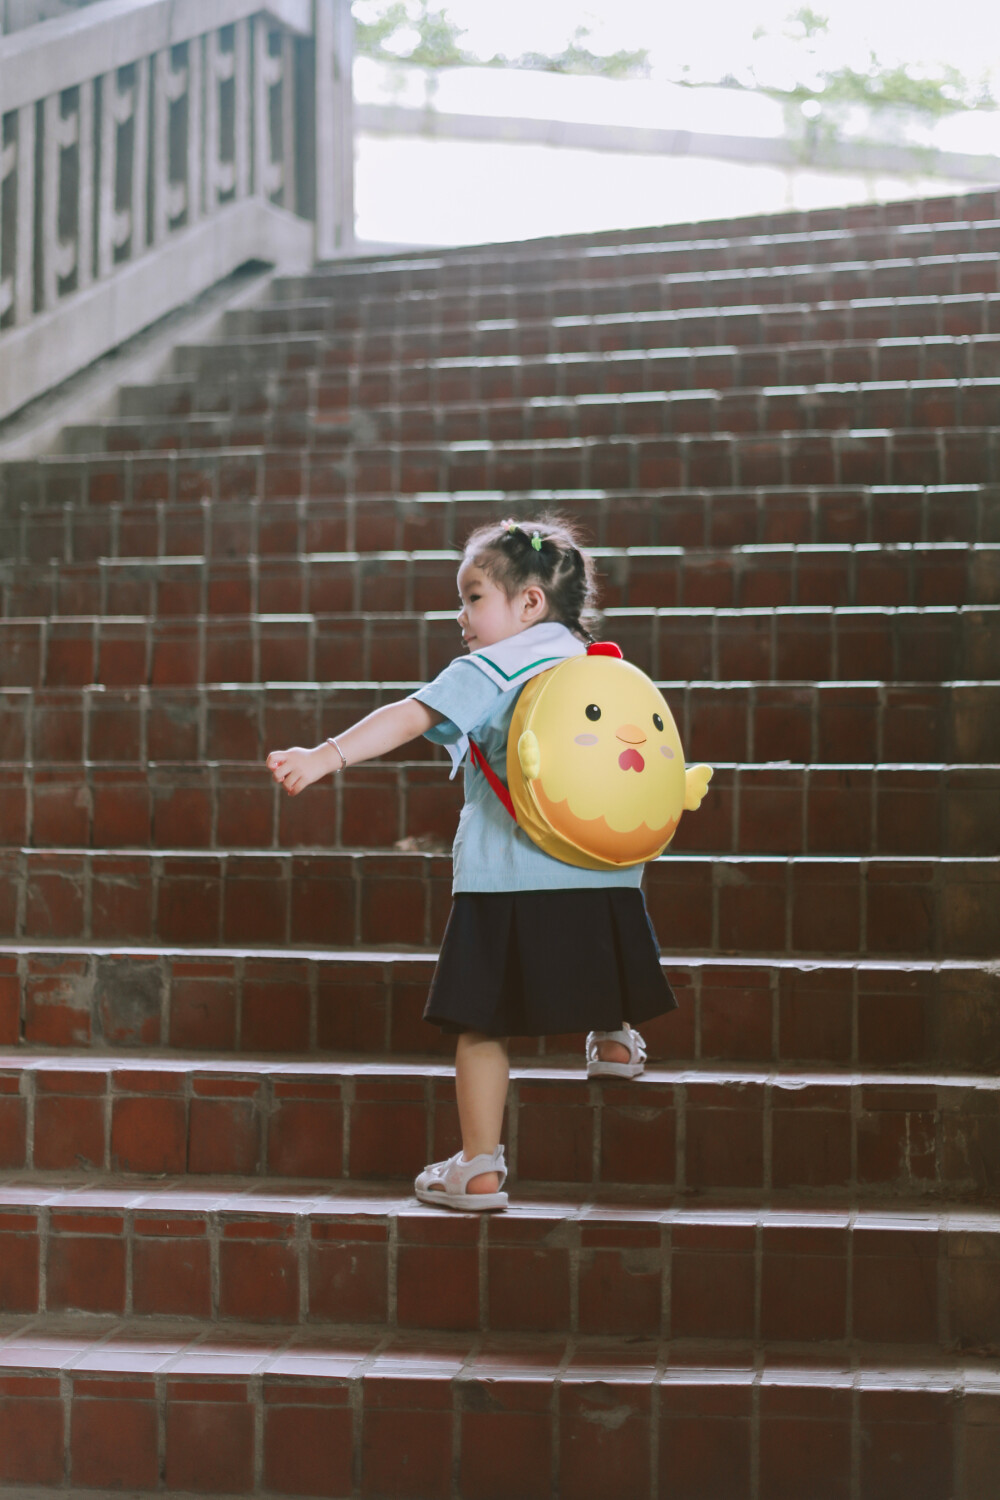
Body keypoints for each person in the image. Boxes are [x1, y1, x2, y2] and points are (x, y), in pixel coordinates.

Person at [266, 516, 676, 1211]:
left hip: (504, 874)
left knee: (481, 1021)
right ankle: (611, 1039)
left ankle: (480, 1166)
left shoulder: (489, 666)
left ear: (529, 605)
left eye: (474, 596)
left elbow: (413, 715)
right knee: (596, 945)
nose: (461, 615)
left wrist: (325, 755)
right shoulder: (596, 664)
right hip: (604, 869)